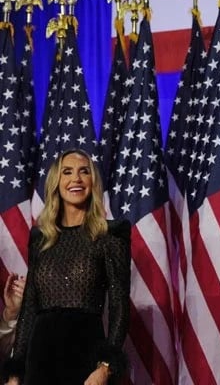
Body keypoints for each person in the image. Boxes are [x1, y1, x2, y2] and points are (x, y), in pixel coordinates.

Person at [8, 149, 131, 385]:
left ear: (92, 182)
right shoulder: (40, 238)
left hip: (86, 359)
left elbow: (119, 305)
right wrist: (15, 373)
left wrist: (105, 367)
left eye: (84, 171)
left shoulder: (111, 234)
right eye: (67, 172)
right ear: (56, 182)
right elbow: (29, 308)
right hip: (39, 360)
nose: (76, 178)